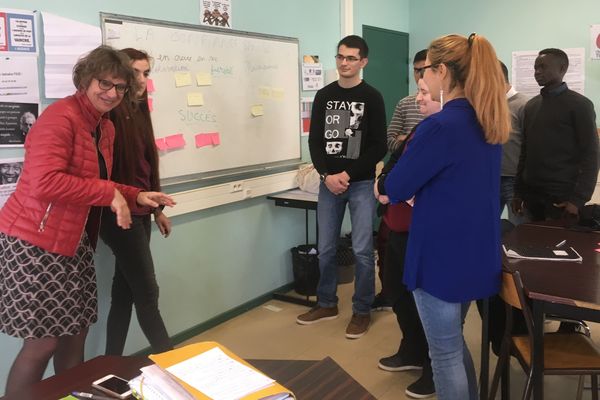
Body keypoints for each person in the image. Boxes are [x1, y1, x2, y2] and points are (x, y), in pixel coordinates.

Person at [0, 45, 175, 395]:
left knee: (75, 335)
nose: (111, 93)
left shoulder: (103, 126)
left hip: (74, 241)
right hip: (34, 243)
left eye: (120, 87)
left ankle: (72, 394)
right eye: (104, 83)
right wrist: (110, 195)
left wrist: (134, 195)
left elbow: (100, 182)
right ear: (85, 80)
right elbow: (44, 181)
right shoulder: (59, 117)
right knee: (43, 344)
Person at [384, 33, 510, 399]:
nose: (422, 83)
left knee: (444, 353)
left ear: (442, 71)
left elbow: (397, 185)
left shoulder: (439, 126)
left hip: (440, 255)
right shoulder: (487, 120)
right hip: (475, 250)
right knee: (453, 346)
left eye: (426, 73)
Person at [297, 35, 387, 339]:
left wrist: (347, 174)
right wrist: (326, 175)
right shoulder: (323, 95)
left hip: (360, 183)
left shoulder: (372, 96)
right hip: (328, 184)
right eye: (340, 57)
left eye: (351, 58)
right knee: (325, 248)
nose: (344, 63)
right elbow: (315, 141)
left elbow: (378, 146)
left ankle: (362, 309)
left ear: (363, 62)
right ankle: (327, 303)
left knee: (362, 250)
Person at [100, 48, 173, 355]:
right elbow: (109, 173)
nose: (142, 80)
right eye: (136, 72)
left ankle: (110, 361)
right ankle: (176, 365)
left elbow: (147, 163)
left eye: (146, 73)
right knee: (147, 291)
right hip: (117, 213)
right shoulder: (110, 113)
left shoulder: (140, 107)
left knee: (125, 291)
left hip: (142, 210)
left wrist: (158, 209)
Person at [374, 77, 439, 398]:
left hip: (421, 231)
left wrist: (390, 186)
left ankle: (431, 366)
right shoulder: (417, 131)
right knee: (395, 292)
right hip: (397, 226)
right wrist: (386, 184)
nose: (417, 98)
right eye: (418, 90)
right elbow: (392, 168)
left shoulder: (440, 134)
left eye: (424, 92)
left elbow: (407, 182)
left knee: (424, 303)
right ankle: (411, 350)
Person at [512, 48, 599, 226]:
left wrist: (578, 200)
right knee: (530, 247)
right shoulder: (531, 106)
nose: (537, 72)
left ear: (562, 69)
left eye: (543, 67)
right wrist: (518, 193)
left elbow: (591, 155)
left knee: (559, 249)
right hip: (531, 198)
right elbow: (525, 152)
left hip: (562, 201)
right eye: (535, 67)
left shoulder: (580, 105)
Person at [372, 49, 428, 312]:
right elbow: (391, 141)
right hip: (400, 189)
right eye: (416, 70)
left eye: (424, 69)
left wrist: (412, 142)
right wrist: (408, 141)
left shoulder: (446, 113)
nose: (420, 75)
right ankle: (389, 294)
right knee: (389, 246)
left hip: (423, 196)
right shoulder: (407, 103)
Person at [499, 61, 529, 225]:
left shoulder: (523, 104)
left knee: (518, 226)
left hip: (514, 180)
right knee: (485, 225)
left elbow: (530, 144)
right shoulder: (490, 105)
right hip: (492, 176)